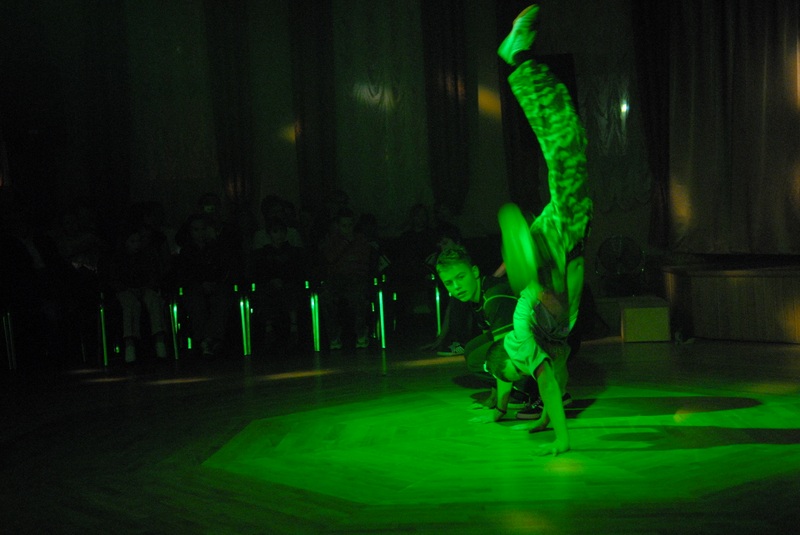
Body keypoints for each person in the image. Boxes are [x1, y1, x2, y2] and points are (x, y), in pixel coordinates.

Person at [481, 4, 593, 457]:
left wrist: (562, 439)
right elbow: (555, 377)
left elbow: (543, 379)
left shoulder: (523, 340)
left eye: (515, 375)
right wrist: (546, 416)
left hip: (555, 245)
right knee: (570, 142)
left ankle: (518, 56)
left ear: (514, 361)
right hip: (563, 241)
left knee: (566, 145)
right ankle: (520, 60)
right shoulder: (549, 343)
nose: (525, 374)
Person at [424, 245, 527, 407]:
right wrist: (493, 398)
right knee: (472, 349)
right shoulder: (476, 297)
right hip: (523, 341)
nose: (456, 287)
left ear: (475, 272)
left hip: (546, 341)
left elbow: (503, 353)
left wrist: (500, 408)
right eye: (449, 283)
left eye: (461, 277)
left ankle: (533, 393)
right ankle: (517, 391)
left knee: (476, 359)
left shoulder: (493, 297)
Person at [318, 207, 373, 350]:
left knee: (359, 296)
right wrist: (345, 244)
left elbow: (364, 261)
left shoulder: (361, 239)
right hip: (335, 279)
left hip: (356, 278)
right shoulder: (332, 240)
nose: (347, 229)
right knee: (325, 296)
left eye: (350, 225)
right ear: (338, 225)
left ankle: (361, 334)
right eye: (344, 226)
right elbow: (330, 258)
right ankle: (334, 336)